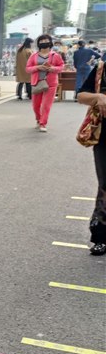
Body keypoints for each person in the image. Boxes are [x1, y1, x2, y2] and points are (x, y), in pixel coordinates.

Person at [76, 60, 106, 256]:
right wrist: (98, 97)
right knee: (105, 185)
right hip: (104, 137)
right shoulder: (102, 69)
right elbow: (81, 95)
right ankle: (101, 236)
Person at [26, 34, 65, 132]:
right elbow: (28, 68)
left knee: (46, 105)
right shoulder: (33, 56)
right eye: (41, 41)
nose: (44, 43)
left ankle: (43, 123)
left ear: (50, 43)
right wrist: (37, 67)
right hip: (37, 83)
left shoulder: (56, 55)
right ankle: (38, 119)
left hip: (51, 83)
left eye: (46, 41)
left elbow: (61, 67)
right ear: (38, 43)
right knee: (36, 105)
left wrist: (53, 68)